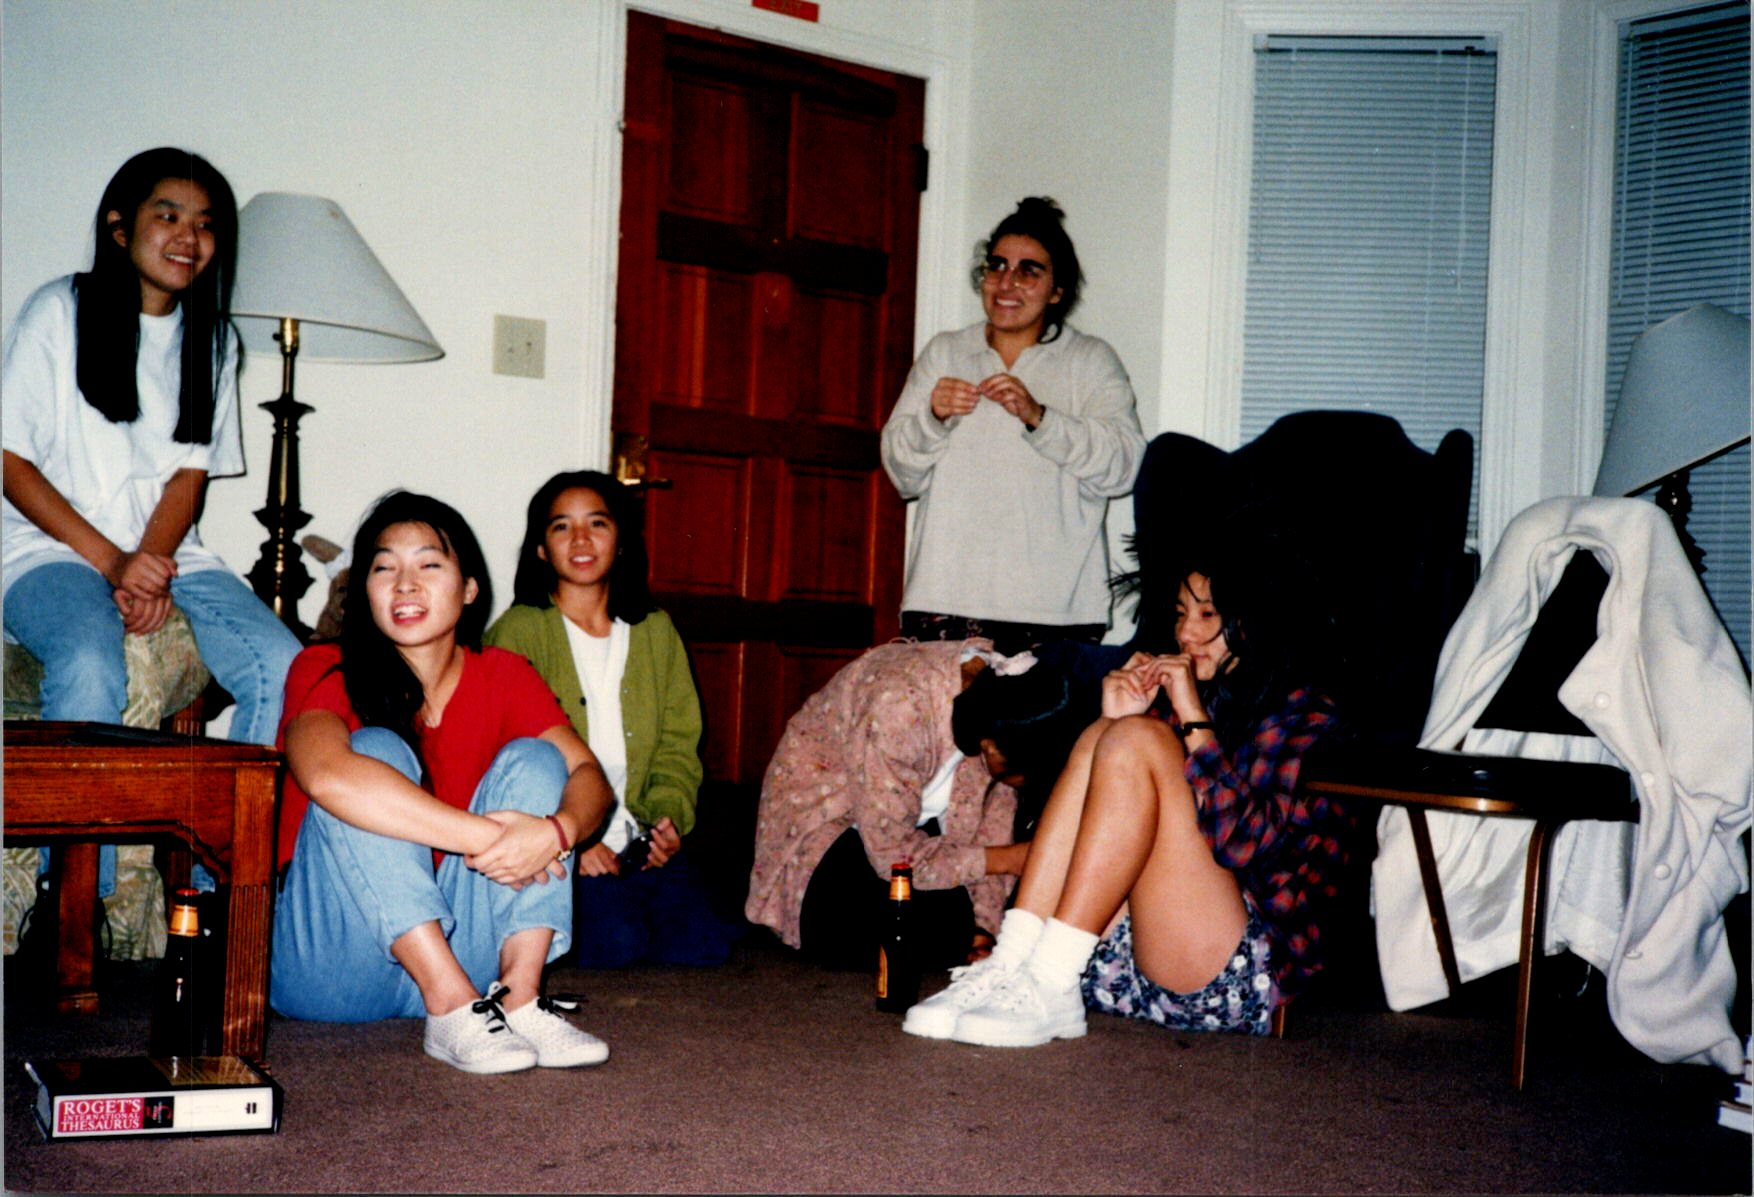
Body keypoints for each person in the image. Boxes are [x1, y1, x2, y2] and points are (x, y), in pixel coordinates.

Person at [2, 147, 301, 905]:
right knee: (89, 655)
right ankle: (75, 898)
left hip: (168, 551)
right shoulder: (59, 311)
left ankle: (218, 888)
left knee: (285, 665)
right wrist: (114, 564)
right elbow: (10, 461)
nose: (187, 237)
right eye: (167, 215)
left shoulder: (215, 339)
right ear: (119, 225)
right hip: (47, 546)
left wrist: (149, 565)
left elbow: (188, 476)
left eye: (205, 224)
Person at [902, 547, 1350, 1045]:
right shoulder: (1193, 697)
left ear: (1257, 621)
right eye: (1180, 613)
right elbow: (1101, 839)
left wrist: (1190, 719)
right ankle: (1013, 963)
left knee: (1138, 737)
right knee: (1108, 732)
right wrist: (1113, 718)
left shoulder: (1304, 714)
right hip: (1130, 954)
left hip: (1241, 973)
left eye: (1207, 615)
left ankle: (1051, 978)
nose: (1185, 633)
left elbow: (1244, 846)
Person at [269, 491, 616, 1075]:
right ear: (365, 591)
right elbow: (326, 775)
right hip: (335, 965)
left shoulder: (504, 674)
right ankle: (450, 1005)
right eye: (384, 569)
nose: (405, 585)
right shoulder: (324, 665)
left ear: (470, 588)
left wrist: (557, 832)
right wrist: (495, 839)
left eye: (428, 565)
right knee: (374, 751)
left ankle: (520, 997)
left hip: (468, 952)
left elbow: (590, 779)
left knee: (537, 759)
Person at [484, 469, 744, 969]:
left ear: (621, 541)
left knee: (704, 941)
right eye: (562, 526)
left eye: (597, 523)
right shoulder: (518, 631)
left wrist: (666, 822)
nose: (581, 540)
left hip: (635, 837)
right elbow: (504, 757)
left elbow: (678, 743)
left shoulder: (654, 629)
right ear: (541, 549)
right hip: (560, 841)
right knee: (616, 944)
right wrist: (574, 841)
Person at [879, 196, 1146, 656]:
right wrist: (933, 419)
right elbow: (901, 473)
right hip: (944, 601)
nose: (1007, 283)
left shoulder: (1091, 361)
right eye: (997, 266)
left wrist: (1040, 418)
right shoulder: (944, 353)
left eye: (1029, 271)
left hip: (1056, 611)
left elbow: (1123, 468)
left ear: (1057, 291)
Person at [745, 638, 1091, 972]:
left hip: (917, 835)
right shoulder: (900, 707)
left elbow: (992, 834)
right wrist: (1011, 860)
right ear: (990, 746)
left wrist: (985, 927)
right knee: (890, 921)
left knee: (1000, 908)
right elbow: (892, 856)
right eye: (1023, 777)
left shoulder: (1006, 716)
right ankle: (947, 936)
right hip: (832, 836)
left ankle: (956, 936)